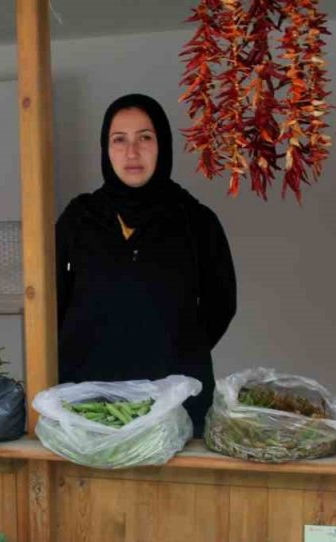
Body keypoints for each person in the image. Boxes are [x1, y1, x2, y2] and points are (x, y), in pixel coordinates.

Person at [55, 93, 236, 434]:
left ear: (163, 145)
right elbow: (52, 299)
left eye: (145, 138)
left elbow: (222, 303)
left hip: (173, 399)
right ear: (105, 150)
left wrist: (175, 345)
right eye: (119, 140)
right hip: (88, 397)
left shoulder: (195, 220)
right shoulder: (79, 218)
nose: (132, 152)